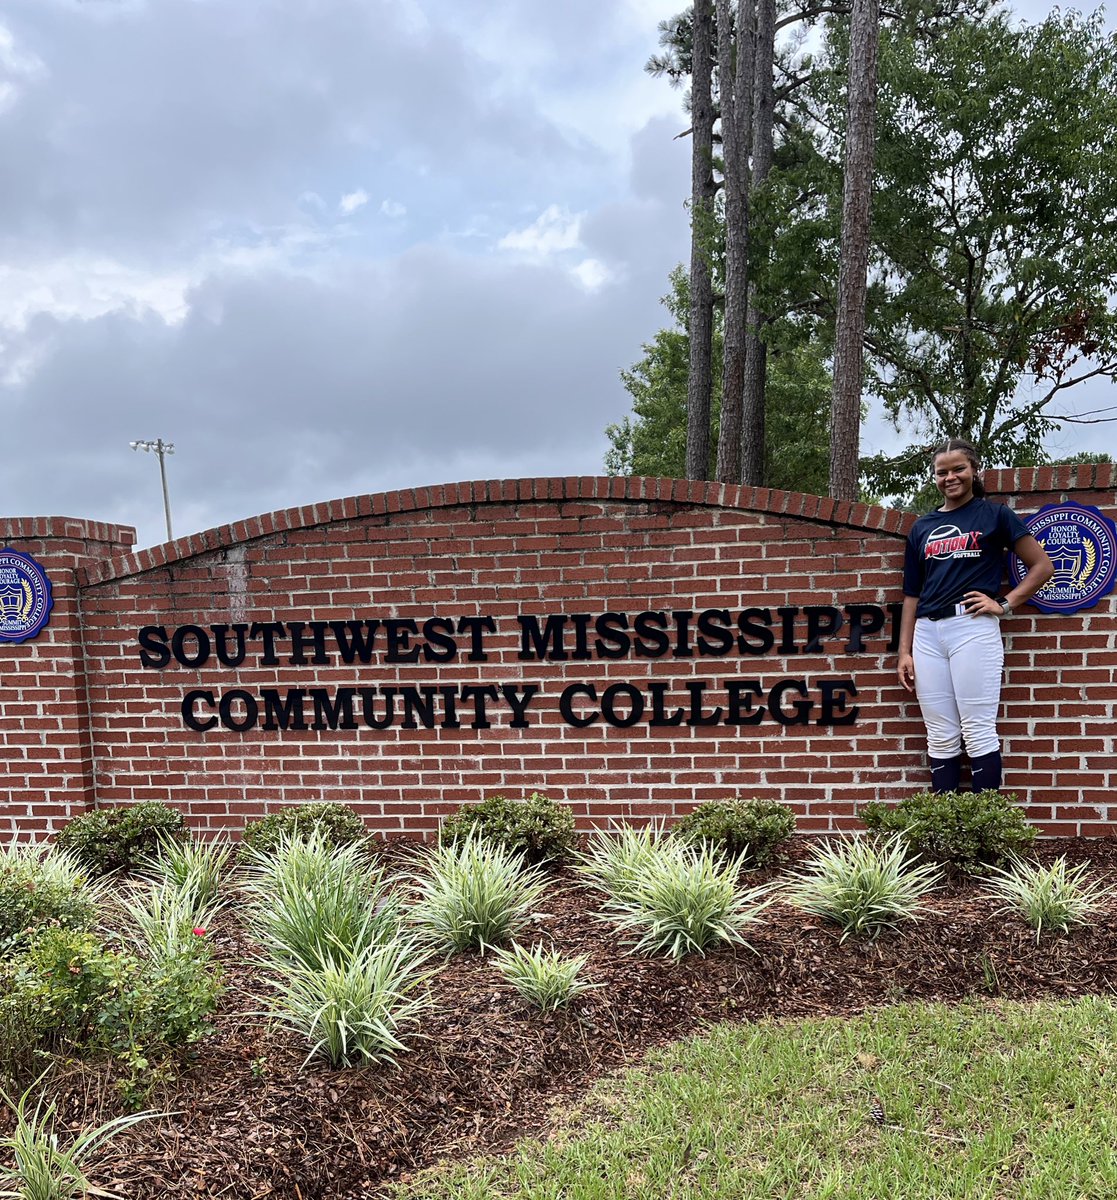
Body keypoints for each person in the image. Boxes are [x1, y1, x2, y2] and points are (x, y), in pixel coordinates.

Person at [897, 438, 1053, 793]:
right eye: (942, 472)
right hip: (927, 632)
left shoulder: (995, 515)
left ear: (974, 471)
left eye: (958, 469)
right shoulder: (922, 527)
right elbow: (911, 593)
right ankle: (947, 829)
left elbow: (1042, 566)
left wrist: (1005, 604)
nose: (950, 477)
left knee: (977, 728)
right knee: (939, 733)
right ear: (934, 477)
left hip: (972, 628)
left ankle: (984, 829)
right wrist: (904, 651)